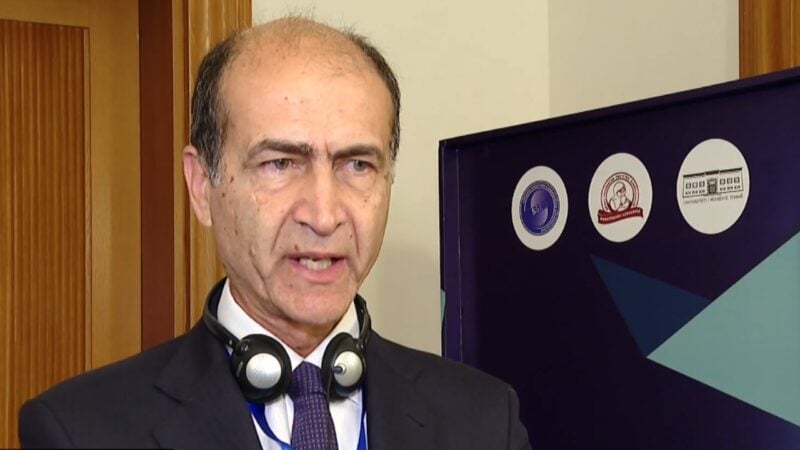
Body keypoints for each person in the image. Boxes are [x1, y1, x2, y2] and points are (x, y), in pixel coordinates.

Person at [18, 17, 531, 450]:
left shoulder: (486, 421)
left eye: (357, 164)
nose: (324, 216)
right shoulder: (79, 430)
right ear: (202, 186)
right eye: (280, 163)